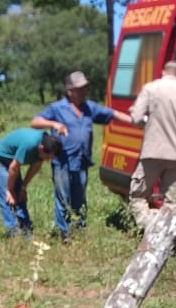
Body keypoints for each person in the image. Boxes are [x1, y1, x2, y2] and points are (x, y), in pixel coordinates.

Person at [31, 71, 133, 242]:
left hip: (81, 161)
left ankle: (78, 229)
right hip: (62, 161)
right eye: (80, 89)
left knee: (79, 199)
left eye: (85, 88)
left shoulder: (89, 107)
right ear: (70, 91)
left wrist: (134, 121)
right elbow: (35, 122)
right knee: (63, 197)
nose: (84, 91)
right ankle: (64, 233)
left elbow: (112, 114)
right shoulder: (57, 108)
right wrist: (54, 123)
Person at [127, 60, 176, 228]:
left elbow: (137, 118)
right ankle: (169, 234)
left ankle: (147, 229)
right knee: (171, 201)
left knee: (138, 196)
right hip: (175, 154)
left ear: (163, 72)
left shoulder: (151, 88)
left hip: (151, 152)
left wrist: (147, 123)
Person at [0, 129, 62, 238]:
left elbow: (35, 167)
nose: (47, 160)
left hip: (12, 163)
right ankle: (12, 233)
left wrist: (23, 187)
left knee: (20, 197)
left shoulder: (46, 143)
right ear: (41, 149)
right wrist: (9, 190)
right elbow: (14, 167)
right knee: (7, 198)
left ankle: (26, 231)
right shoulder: (30, 144)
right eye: (48, 157)